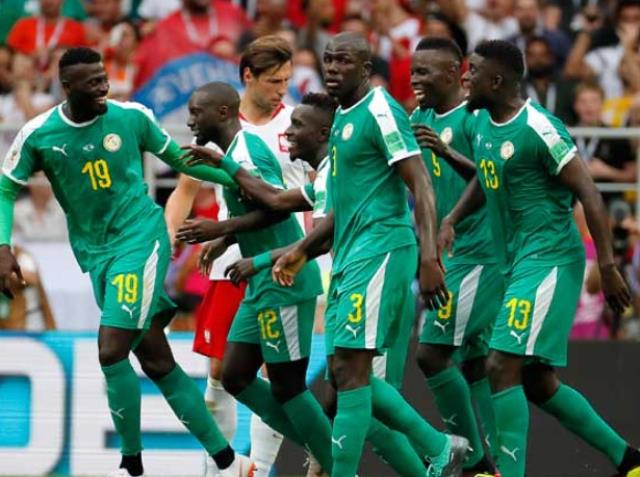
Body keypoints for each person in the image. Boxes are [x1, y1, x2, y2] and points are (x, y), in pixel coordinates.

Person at [0, 47, 253, 477]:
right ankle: (230, 462)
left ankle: (130, 466)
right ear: (67, 87)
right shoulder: (39, 134)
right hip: (96, 254)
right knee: (156, 360)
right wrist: (3, 246)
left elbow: (181, 161)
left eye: (104, 77)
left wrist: (243, 179)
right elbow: (7, 188)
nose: (104, 86)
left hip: (141, 239)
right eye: (93, 82)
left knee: (111, 348)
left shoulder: (132, 117)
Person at [180, 92, 429, 477]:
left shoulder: (265, 155)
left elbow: (294, 221)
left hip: (300, 280)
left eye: (298, 126)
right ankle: (324, 450)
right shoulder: (315, 170)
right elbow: (276, 201)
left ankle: (351, 459)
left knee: (323, 387)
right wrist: (226, 237)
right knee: (237, 375)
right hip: (276, 280)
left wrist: (248, 249)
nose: (288, 134)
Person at [440, 39, 640, 477]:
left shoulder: (539, 128)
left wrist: (607, 266)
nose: (465, 77)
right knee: (535, 380)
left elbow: (589, 192)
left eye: (473, 71)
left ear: (496, 81)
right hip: (515, 265)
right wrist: (451, 218)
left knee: (500, 364)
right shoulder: (483, 123)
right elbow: (486, 180)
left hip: (550, 260)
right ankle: (629, 461)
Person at [271, 32, 468, 477]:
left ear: (365, 69)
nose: (332, 68)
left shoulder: (380, 109)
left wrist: (429, 256)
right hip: (350, 257)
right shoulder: (343, 118)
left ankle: (432, 451)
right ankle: (440, 447)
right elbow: (345, 205)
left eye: (344, 61)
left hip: (381, 249)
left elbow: (420, 182)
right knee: (344, 372)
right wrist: (302, 251)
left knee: (353, 372)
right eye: (328, 59)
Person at [164, 34, 304, 477]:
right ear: (248, 76)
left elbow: (314, 192)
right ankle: (219, 468)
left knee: (275, 376)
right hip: (230, 263)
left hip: (283, 259)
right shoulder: (218, 122)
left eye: (286, 81)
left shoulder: (297, 124)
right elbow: (185, 188)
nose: (282, 90)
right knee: (219, 371)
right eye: (274, 81)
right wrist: (169, 237)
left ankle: (260, 468)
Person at [179, 82, 334, 476]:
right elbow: (256, 207)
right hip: (259, 283)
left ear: (222, 113)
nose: (190, 120)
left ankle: (335, 459)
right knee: (234, 375)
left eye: (196, 112)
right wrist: (226, 239)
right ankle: (320, 442)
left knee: (288, 386)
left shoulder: (245, 152)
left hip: (282, 279)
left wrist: (218, 229)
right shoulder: (234, 152)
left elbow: (277, 206)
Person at [410, 36, 500, 476]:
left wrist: (446, 152)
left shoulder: (475, 117)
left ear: (452, 73)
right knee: (475, 363)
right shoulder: (418, 118)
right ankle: (497, 464)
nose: (415, 79)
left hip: (482, 254)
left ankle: (476, 464)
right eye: (413, 71)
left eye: (423, 72)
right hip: (450, 255)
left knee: (430, 353)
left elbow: (492, 180)